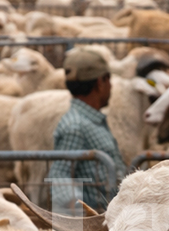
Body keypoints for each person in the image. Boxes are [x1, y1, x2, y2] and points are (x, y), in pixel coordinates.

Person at [47, 47, 127, 213]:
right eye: (108, 80)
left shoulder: (91, 121)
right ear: (100, 82)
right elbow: (60, 176)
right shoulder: (75, 126)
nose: (111, 86)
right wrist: (84, 216)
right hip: (99, 226)